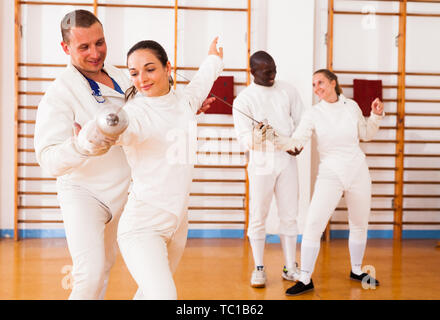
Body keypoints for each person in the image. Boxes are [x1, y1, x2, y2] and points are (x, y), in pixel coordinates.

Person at [34, 10, 214, 300]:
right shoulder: (58, 94)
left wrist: (187, 114)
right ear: (65, 48)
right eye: (84, 47)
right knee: (90, 276)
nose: (95, 53)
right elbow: (49, 159)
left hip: (128, 193)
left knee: (146, 276)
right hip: (85, 194)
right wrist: (83, 144)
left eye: (100, 42)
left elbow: (154, 116)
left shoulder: (125, 75)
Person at [111, 38, 223, 299]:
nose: (142, 79)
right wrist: (96, 136)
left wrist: (214, 59)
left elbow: (202, 82)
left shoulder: (183, 100)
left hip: (178, 223)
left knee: (150, 294)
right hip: (142, 227)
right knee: (164, 296)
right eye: (134, 73)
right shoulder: (135, 113)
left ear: (167, 68)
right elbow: (120, 132)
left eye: (150, 69)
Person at [275, 69, 384, 296]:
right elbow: (297, 142)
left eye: (320, 82)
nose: (317, 88)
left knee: (359, 223)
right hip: (330, 173)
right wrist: (275, 139)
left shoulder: (351, 106)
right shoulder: (313, 114)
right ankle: (305, 278)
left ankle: (356, 270)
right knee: (314, 224)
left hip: (358, 171)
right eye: (314, 85)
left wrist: (375, 116)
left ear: (333, 83)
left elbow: (366, 134)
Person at [232, 51, 304, 288]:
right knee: (258, 215)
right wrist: (258, 134)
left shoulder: (287, 90)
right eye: (266, 72)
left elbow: (302, 122)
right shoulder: (244, 100)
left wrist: (297, 144)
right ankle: (259, 267)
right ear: (253, 72)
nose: (272, 75)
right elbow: (246, 141)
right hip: (261, 161)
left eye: (274, 70)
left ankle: (290, 266)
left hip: (286, 159)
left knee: (290, 214)